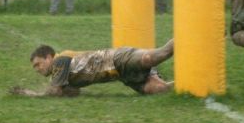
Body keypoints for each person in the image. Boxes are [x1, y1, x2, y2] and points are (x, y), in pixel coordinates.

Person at [11, 39, 175, 97]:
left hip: (116, 58)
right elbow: (72, 93)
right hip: (120, 75)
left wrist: (31, 94)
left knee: (156, 55)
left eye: (38, 64)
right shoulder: (61, 76)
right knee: (160, 89)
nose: (37, 69)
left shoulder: (60, 60)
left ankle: (187, 34)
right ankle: (195, 84)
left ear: (49, 57)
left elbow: (55, 92)